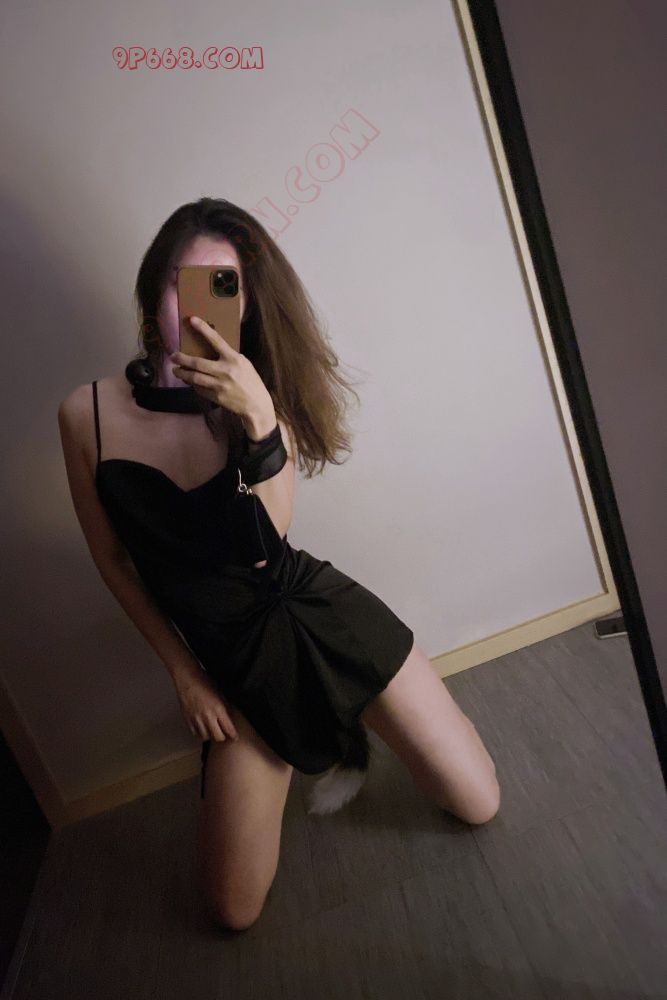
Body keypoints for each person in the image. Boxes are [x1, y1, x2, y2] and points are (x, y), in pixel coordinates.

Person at [57, 197, 500, 931]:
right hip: (234, 663)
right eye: (183, 283)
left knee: (477, 803)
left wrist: (259, 419)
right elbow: (114, 561)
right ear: (151, 290)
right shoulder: (86, 416)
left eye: (222, 288)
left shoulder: (261, 401)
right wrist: (185, 672)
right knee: (232, 911)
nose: (198, 309)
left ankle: (350, 708)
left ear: (248, 304)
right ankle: (297, 736)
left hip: (316, 615)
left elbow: (264, 544)